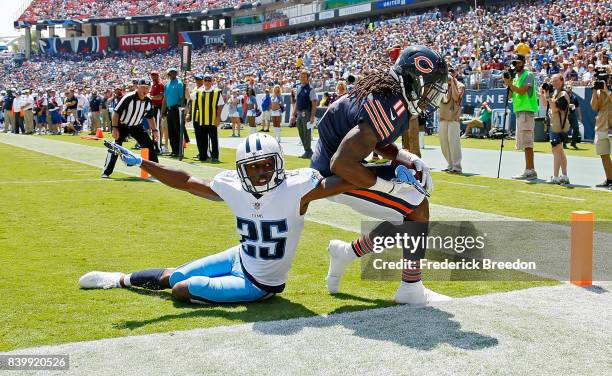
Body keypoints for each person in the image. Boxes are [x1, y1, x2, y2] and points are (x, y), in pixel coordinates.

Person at [80, 134, 360, 304]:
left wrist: (393, 172)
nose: (261, 173)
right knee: (174, 275)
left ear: (279, 163)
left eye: (267, 165)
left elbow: (351, 180)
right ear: (241, 171)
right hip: (239, 256)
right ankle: (119, 280)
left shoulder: (298, 189)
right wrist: (144, 163)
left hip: (260, 283)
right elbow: (187, 181)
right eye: (253, 168)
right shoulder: (234, 186)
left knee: (181, 289)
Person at [310, 46, 449, 305]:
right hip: (333, 177)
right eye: (429, 88)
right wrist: (388, 187)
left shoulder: (391, 96)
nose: (429, 97)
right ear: (413, 80)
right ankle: (411, 288)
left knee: (410, 207)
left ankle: (348, 253)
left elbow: (373, 139)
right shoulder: (391, 103)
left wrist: (406, 157)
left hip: (338, 166)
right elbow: (341, 162)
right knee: (416, 207)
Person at [101, 79, 160, 178]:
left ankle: (157, 172)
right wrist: (115, 128)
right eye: (143, 87)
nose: (145, 90)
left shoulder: (148, 101)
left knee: (149, 145)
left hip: (136, 126)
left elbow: (150, 117)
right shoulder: (129, 97)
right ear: (138, 87)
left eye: (147, 88)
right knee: (116, 146)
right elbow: (116, 112)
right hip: (122, 125)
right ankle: (106, 172)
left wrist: (155, 130)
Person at [503, 54, 539, 180]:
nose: (515, 65)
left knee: (528, 142)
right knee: (524, 142)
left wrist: (509, 83)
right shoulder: (515, 77)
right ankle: (528, 169)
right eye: (514, 62)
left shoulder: (528, 75)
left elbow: (522, 91)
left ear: (523, 62)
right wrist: (508, 83)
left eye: (517, 62)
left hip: (527, 111)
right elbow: (511, 96)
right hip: (520, 111)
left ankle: (530, 170)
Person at [539, 74, 570, 184]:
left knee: (556, 151)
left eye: (556, 80)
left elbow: (555, 108)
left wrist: (547, 96)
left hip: (558, 126)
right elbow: (544, 104)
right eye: (553, 81)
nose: (554, 82)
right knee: (559, 151)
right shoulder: (556, 93)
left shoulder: (563, 94)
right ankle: (564, 176)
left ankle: (556, 177)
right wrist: (543, 93)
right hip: (554, 125)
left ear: (562, 81)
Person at [188, 73, 224, 163]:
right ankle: (203, 156)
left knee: (214, 139)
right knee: (202, 139)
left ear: (212, 81)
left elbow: (220, 105)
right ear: (203, 81)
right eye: (205, 80)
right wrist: (185, 88)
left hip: (212, 119)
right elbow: (189, 97)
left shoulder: (216, 92)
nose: (207, 82)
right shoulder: (199, 91)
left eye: (209, 80)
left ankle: (215, 156)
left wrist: (218, 117)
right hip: (201, 119)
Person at [438, 67, 464, 173]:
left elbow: (456, 98)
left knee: (453, 144)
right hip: (443, 117)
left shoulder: (460, 86)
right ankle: (450, 164)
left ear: (455, 74)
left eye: (451, 73)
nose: (449, 75)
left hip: (453, 118)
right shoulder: (442, 86)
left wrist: (453, 82)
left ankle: (457, 167)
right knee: (444, 144)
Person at [590, 80, 612, 189]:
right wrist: (595, 91)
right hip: (602, 125)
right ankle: (609, 179)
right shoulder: (598, 91)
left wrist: (607, 91)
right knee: (604, 154)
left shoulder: (607, 90)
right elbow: (594, 106)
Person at [292, 70, 318, 158]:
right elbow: (297, 102)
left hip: (306, 113)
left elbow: (314, 103)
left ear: (308, 78)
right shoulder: (299, 88)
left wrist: (312, 116)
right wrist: (293, 114)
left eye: (304, 76)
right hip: (299, 113)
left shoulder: (310, 89)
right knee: (301, 132)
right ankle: (307, 150)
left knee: (306, 133)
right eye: (301, 76)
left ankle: (308, 151)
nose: (302, 78)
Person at [162, 68, 185, 157]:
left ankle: (179, 151)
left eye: (173, 73)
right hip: (169, 109)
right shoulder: (167, 84)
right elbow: (165, 98)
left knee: (177, 130)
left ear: (175, 74)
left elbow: (182, 98)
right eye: (170, 73)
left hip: (177, 109)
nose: (172, 74)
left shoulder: (179, 83)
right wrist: (163, 111)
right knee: (171, 131)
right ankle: (174, 150)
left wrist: (183, 110)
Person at [149, 71, 166, 153]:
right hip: (153, 108)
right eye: (152, 75)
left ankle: (158, 148)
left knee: (157, 127)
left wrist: (150, 97)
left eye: (155, 75)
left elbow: (160, 97)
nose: (153, 76)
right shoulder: (153, 85)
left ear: (158, 76)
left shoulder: (160, 85)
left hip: (158, 107)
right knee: (153, 127)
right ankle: (155, 146)